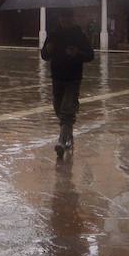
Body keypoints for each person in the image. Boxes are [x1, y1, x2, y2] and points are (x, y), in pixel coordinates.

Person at [40, 10, 95, 158]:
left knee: (66, 110)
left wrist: (77, 53)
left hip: (73, 78)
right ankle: (68, 136)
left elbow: (90, 55)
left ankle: (62, 142)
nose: (65, 20)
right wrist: (48, 50)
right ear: (59, 18)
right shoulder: (53, 35)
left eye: (68, 17)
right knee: (58, 108)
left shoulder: (79, 35)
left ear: (72, 18)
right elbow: (44, 55)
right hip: (57, 77)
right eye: (62, 17)